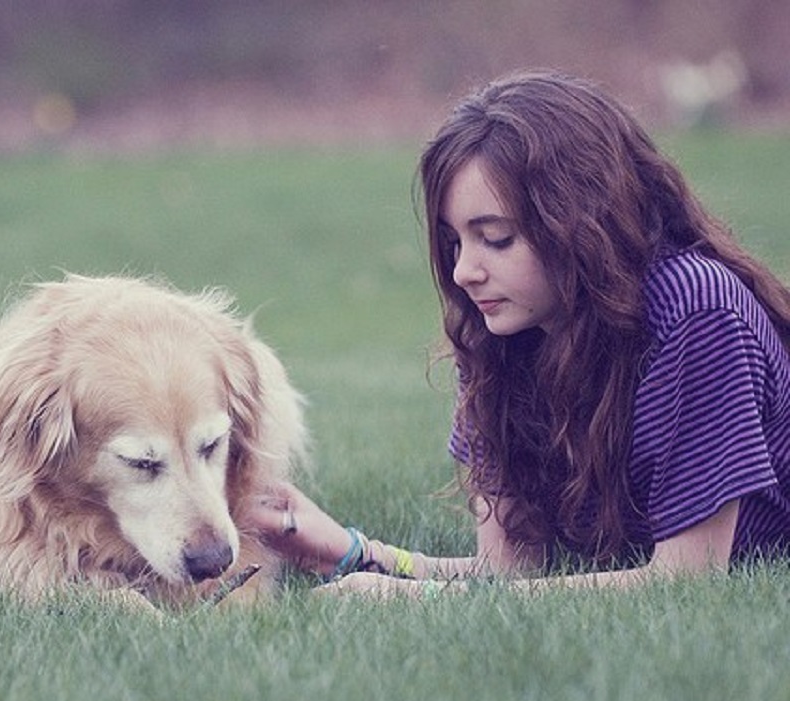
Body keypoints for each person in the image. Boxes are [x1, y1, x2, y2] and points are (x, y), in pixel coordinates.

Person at [247, 69, 790, 597]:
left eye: (497, 238)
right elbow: (505, 574)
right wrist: (354, 553)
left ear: (583, 224)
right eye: (456, 242)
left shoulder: (696, 309)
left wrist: (412, 601)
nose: (464, 272)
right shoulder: (500, 331)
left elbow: (688, 579)